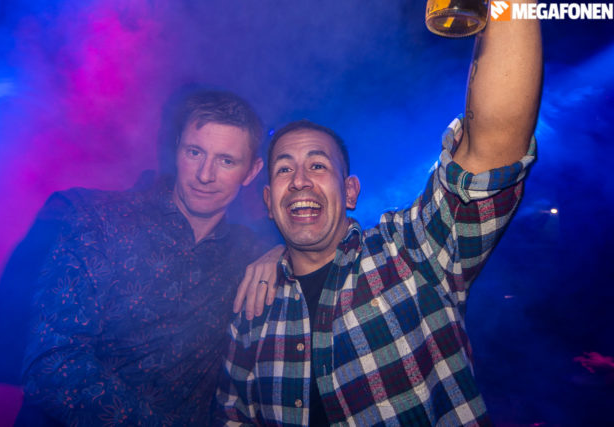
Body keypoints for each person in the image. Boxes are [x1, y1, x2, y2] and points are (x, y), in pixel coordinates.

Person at [214, 4, 542, 426]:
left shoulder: (412, 251)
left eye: (318, 165)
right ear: (267, 201)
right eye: (283, 169)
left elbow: (493, 147)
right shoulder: (252, 305)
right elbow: (234, 414)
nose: (299, 181)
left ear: (350, 191)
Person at [20, 89, 282, 426]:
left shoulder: (248, 253)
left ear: (251, 171)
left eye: (226, 161)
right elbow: (51, 365)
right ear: (177, 148)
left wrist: (280, 251)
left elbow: (318, 245)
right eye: (195, 152)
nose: (205, 175)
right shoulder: (98, 219)